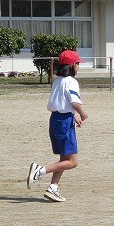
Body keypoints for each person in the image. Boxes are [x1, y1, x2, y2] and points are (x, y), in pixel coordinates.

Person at [26, 50, 88, 202]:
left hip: (55, 119)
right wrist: (82, 113)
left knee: (64, 158)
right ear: (72, 66)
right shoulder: (71, 82)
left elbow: (61, 103)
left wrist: (73, 116)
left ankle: (53, 187)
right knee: (73, 162)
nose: (78, 67)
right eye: (77, 64)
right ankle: (40, 171)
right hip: (64, 123)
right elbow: (74, 102)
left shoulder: (57, 81)